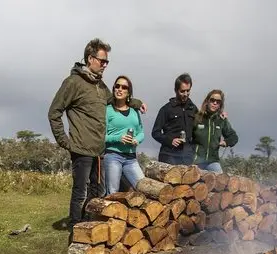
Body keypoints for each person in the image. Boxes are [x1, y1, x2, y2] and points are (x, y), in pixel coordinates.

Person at [48, 38, 146, 236]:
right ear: (90, 58)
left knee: (97, 191)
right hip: (80, 148)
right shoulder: (73, 82)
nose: (105, 65)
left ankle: (89, 224)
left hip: (100, 151)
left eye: (106, 62)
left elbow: (115, 99)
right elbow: (54, 112)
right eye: (102, 61)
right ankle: (75, 230)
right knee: (79, 192)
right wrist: (64, 141)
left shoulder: (100, 86)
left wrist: (135, 102)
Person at [103, 76, 145, 195]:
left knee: (143, 188)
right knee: (113, 193)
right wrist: (118, 138)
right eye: (117, 86)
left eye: (124, 87)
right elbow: (101, 136)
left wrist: (137, 140)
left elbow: (141, 133)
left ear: (128, 92)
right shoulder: (108, 110)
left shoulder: (134, 111)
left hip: (131, 158)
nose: (120, 89)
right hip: (113, 156)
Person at [152, 73, 197, 166]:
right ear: (176, 90)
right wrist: (170, 140)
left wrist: (219, 115)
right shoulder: (166, 109)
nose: (185, 94)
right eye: (182, 91)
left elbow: (201, 128)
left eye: (188, 91)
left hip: (187, 156)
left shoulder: (194, 109)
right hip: (169, 155)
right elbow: (155, 132)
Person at [192, 90, 238, 173]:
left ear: (220, 105)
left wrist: (226, 142)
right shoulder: (197, 118)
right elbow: (187, 137)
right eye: (212, 100)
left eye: (218, 102)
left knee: (222, 184)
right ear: (207, 101)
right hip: (196, 162)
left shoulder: (221, 120)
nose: (215, 103)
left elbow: (234, 137)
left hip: (213, 162)